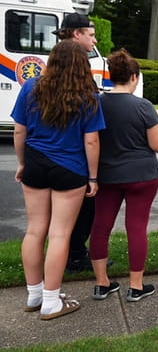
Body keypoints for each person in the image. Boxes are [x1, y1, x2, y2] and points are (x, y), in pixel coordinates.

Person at [11, 40, 105, 320]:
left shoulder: (31, 86)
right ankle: (52, 300)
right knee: (59, 233)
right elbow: (91, 141)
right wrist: (93, 177)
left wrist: (22, 163)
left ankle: (35, 293)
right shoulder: (88, 95)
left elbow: (19, 131)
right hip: (70, 168)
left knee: (34, 230)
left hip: (36, 164)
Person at [89, 49, 158, 302]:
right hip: (141, 174)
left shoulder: (97, 103)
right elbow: (156, 145)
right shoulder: (144, 106)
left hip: (107, 174)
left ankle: (101, 283)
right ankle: (136, 285)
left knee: (101, 225)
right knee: (136, 227)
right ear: (134, 77)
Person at [52, 13, 100, 273]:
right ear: (76, 34)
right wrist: (93, 176)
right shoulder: (75, 69)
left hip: (44, 157)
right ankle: (75, 255)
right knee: (81, 211)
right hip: (72, 157)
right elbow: (89, 133)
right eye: (91, 35)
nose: (94, 41)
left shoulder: (53, 66)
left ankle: (72, 255)